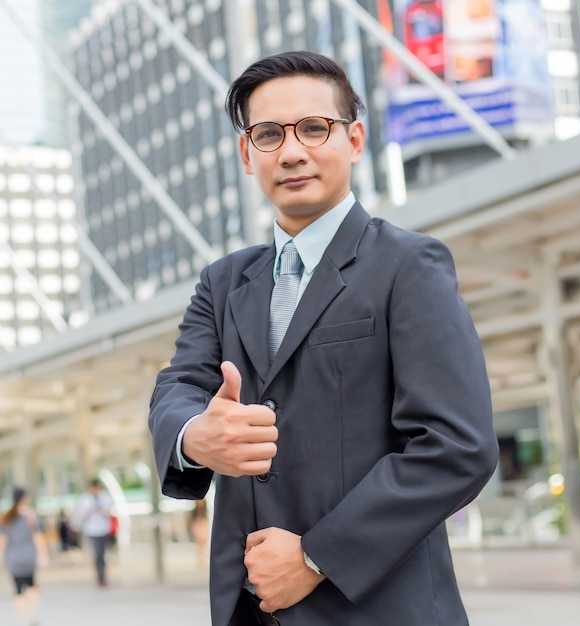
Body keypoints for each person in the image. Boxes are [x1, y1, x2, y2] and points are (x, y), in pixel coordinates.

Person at [149, 50, 499, 626]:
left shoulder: (408, 266)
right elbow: (179, 386)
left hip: (380, 610)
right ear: (247, 153)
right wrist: (195, 435)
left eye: (315, 128)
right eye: (268, 134)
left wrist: (316, 557)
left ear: (355, 140)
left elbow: (457, 445)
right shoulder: (222, 282)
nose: (291, 151)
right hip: (248, 609)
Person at [0, 487, 49, 626]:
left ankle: (22, 619)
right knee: (33, 586)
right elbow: (38, 537)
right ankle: (32, 616)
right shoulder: (31, 516)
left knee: (17, 589)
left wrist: (1, 557)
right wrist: (43, 554)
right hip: (29, 557)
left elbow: (2, 541)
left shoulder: (7, 517)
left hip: (13, 558)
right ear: (24, 498)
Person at [71, 478, 112, 587]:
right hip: (92, 530)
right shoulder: (85, 499)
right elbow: (80, 515)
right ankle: (99, 577)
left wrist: (101, 510)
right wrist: (90, 510)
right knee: (97, 554)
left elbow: (110, 512)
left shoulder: (104, 496)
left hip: (103, 529)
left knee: (102, 554)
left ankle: (103, 576)